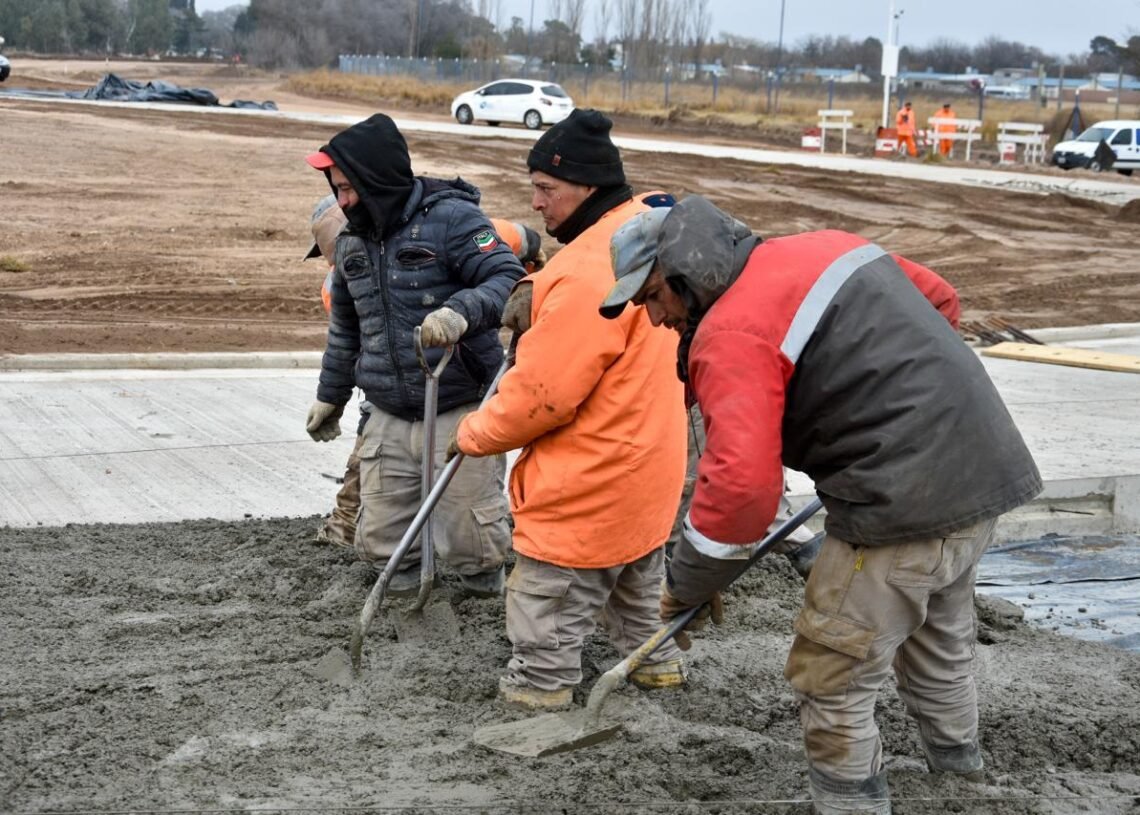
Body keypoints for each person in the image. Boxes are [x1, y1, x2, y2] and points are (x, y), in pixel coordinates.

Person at [598, 195, 1041, 815]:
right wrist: (901, 396)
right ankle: (961, 778)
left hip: (897, 506)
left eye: (651, 298)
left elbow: (741, 493)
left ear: (686, 274)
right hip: (981, 472)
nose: (652, 318)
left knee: (830, 676)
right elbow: (939, 298)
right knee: (939, 639)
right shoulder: (826, 246)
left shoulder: (730, 331)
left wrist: (688, 588)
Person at [448, 109, 688, 711]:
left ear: (587, 188)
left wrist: (475, 432)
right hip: (647, 474)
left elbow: (543, 396)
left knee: (547, 610)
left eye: (546, 189)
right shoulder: (647, 233)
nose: (535, 204)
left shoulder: (585, 272)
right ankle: (657, 670)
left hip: (587, 487)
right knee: (638, 593)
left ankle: (541, 693)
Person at [304, 112, 526, 599]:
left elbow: (508, 278)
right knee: (382, 540)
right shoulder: (351, 243)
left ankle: (483, 596)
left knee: (472, 535)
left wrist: (460, 313)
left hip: (458, 399)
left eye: (347, 188)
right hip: (388, 407)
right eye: (335, 188)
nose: (342, 201)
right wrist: (331, 397)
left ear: (375, 178)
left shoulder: (453, 220)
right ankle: (407, 604)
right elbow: (346, 327)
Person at [304, 195, 546, 551]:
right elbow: (354, 347)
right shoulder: (340, 283)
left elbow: (523, 240)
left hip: (464, 364)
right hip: (393, 378)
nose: (334, 258)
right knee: (375, 445)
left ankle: (455, 537)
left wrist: (533, 263)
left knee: (466, 480)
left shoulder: (462, 229)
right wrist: (337, 397)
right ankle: (347, 524)